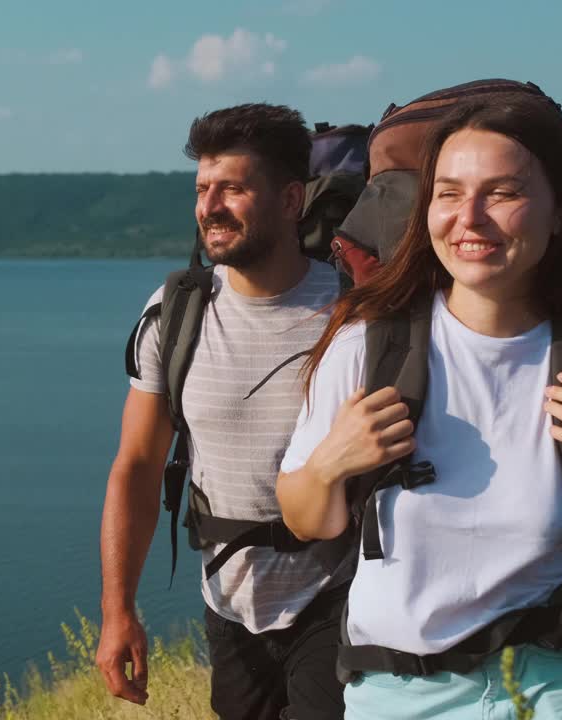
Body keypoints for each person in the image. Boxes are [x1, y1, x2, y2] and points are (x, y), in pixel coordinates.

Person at [275, 93, 562, 719]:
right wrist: (329, 465)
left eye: (504, 193)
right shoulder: (365, 349)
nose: (471, 218)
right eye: (450, 193)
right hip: (400, 691)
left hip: (559, 685)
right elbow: (304, 519)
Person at [96, 103, 351, 720]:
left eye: (233, 188)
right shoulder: (178, 310)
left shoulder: (354, 312)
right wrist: (118, 611)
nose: (209, 206)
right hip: (230, 602)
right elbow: (137, 464)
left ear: (292, 201)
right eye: (202, 189)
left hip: (339, 597)